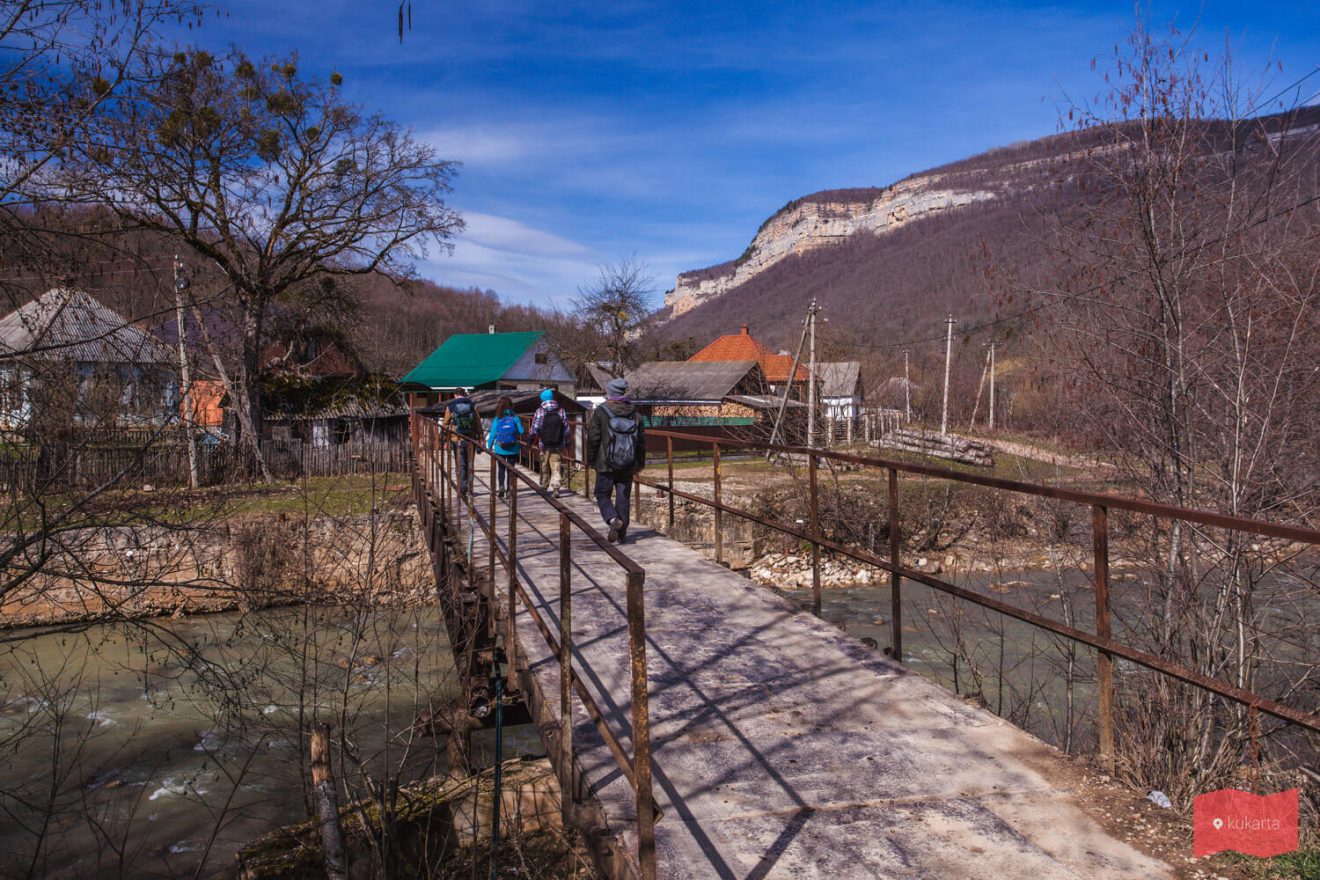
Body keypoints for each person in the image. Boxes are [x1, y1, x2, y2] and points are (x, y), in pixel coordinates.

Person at [586, 377, 645, 544]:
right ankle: (622, 534)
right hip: (628, 463)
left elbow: (593, 438)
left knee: (601, 493)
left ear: (610, 393)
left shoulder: (601, 412)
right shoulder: (635, 413)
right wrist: (640, 463)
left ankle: (612, 520)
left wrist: (591, 460)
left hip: (605, 463)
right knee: (623, 497)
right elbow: (641, 441)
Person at [441, 389, 482, 498]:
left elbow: (445, 424)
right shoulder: (472, 405)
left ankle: (462, 488)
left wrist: (445, 438)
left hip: (456, 439)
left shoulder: (450, 406)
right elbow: (478, 423)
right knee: (470, 464)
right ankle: (469, 490)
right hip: (470, 439)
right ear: (464, 394)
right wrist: (480, 437)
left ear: (455, 395)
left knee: (460, 465)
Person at [530, 388, 570, 495]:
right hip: (558, 443)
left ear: (542, 399)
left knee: (544, 464)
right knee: (556, 465)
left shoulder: (540, 411)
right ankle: (556, 487)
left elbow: (535, 427)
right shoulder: (561, 410)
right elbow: (566, 428)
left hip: (544, 443)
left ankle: (544, 485)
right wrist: (566, 442)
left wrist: (530, 439)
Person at [485, 395, 524, 499]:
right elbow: (521, 431)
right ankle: (508, 490)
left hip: (500, 448)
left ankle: (501, 487)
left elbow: (493, 433)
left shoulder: (498, 418)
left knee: (501, 469)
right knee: (510, 470)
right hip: (513, 448)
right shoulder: (515, 417)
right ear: (511, 406)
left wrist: (489, 446)